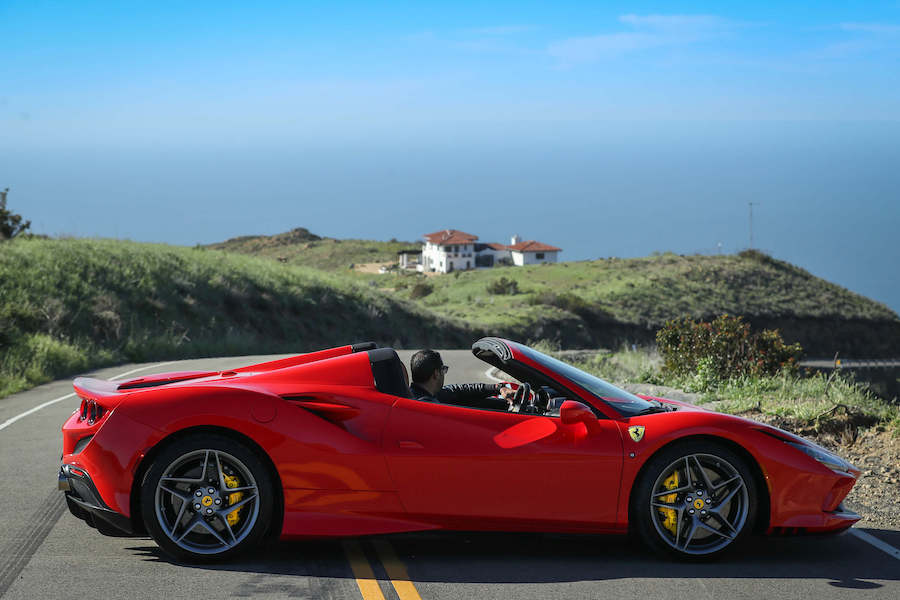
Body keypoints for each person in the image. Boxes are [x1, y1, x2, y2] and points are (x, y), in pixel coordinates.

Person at [409, 349, 515, 410]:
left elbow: (458, 390)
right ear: (436, 374)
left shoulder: (418, 394)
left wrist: (498, 388)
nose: (444, 374)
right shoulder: (429, 406)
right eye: (443, 370)